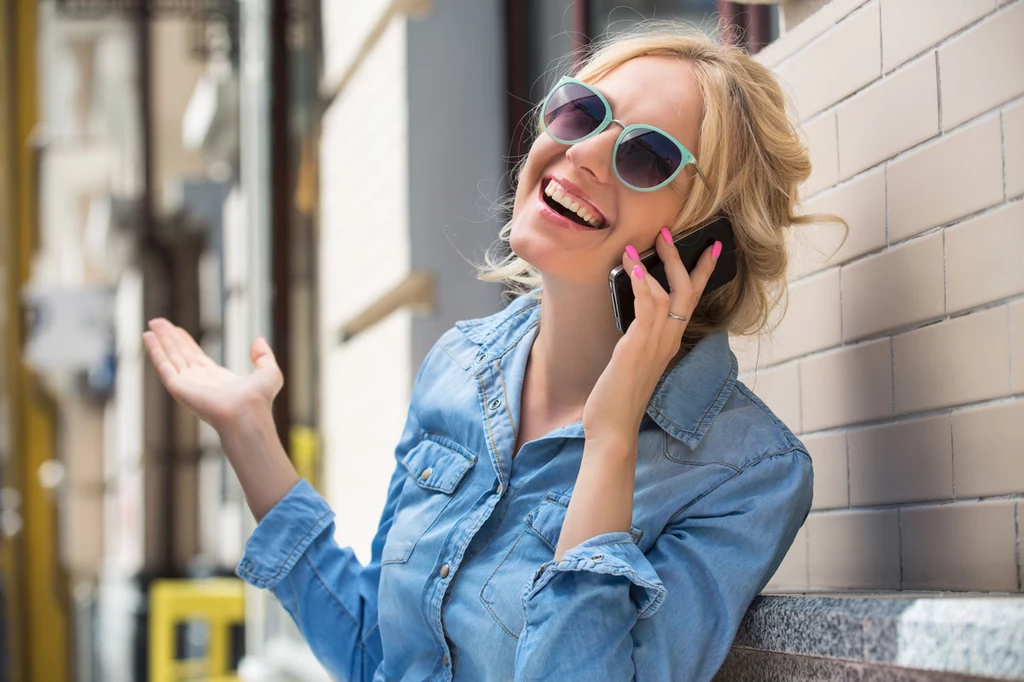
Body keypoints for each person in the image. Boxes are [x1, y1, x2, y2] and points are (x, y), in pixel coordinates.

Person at [142, 23, 845, 682]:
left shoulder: (749, 475)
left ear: (702, 244)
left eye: (648, 155)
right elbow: (377, 655)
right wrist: (249, 436)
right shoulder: (459, 366)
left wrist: (610, 443)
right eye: (584, 112)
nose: (588, 152)